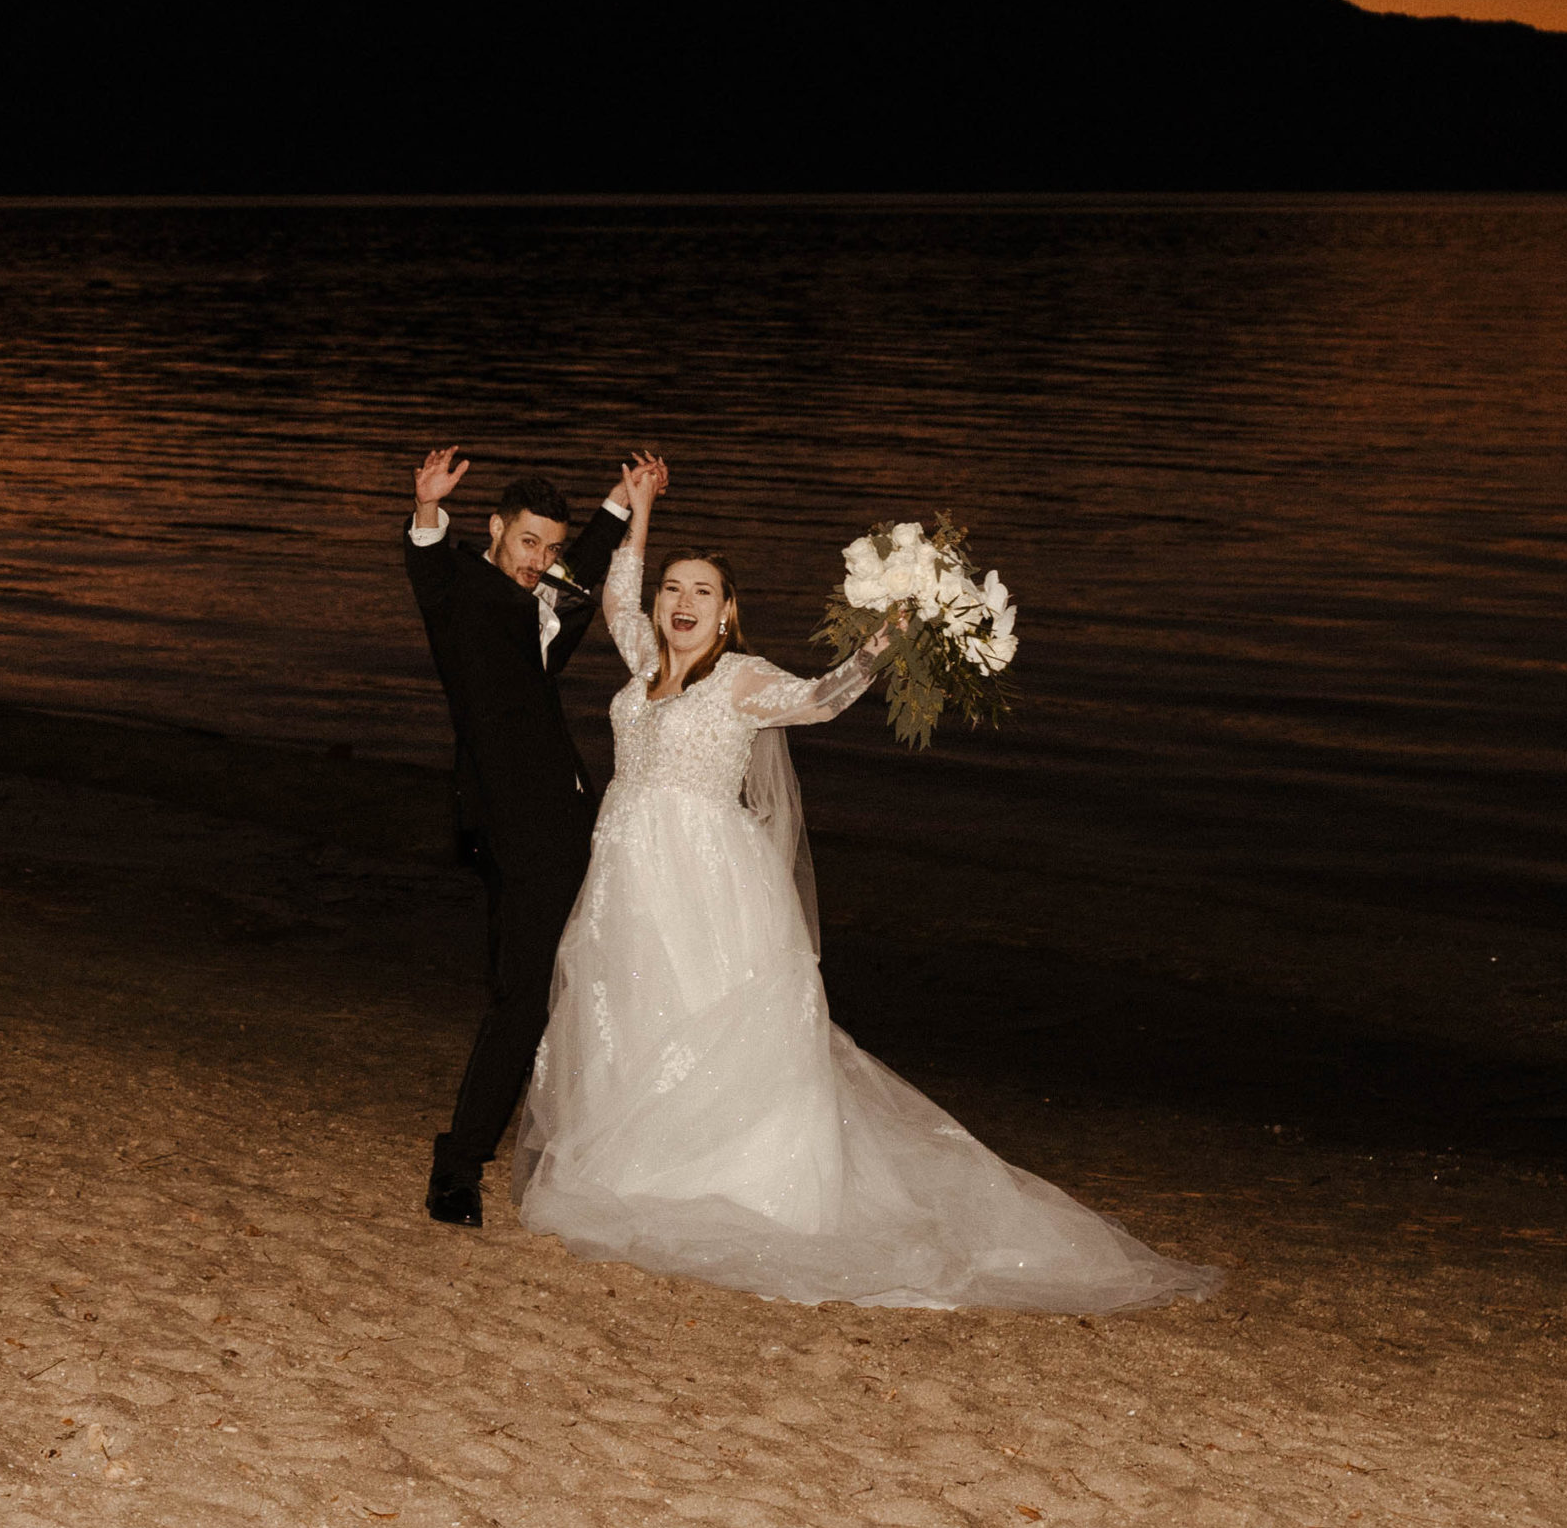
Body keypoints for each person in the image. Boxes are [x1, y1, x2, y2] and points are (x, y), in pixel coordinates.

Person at [513, 463, 1222, 1313]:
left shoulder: (741, 677)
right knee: (632, 1010)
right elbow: (622, 595)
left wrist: (885, 640)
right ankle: (634, 1169)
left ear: (727, 610)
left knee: (710, 1018)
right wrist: (644, 513)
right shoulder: (640, 660)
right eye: (674, 588)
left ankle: (734, 1182)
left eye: (701, 591)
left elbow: (820, 701)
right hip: (628, 869)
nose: (681, 602)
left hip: (706, 877)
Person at [403, 445, 665, 1227]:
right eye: (526, 543)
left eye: (548, 549)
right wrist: (424, 507)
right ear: (493, 529)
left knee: (580, 983)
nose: (538, 561)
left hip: (571, 816)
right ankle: (458, 1168)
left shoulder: (548, 584)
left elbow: (579, 569)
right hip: (513, 823)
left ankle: (598, 1150)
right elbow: (427, 563)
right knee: (526, 997)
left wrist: (619, 503)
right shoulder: (461, 590)